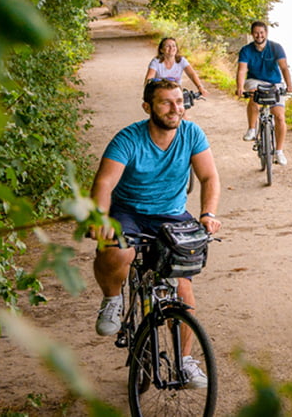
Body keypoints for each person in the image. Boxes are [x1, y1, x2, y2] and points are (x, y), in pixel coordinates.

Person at [90, 80, 222, 389]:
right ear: (148, 107)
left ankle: (186, 361)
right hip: (129, 212)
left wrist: (208, 214)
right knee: (117, 250)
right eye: (166, 103)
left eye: (179, 101)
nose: (176, 108)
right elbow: (104, 183)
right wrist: (99, 217)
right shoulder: (128, 139)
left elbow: (209, 176)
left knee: (184, 288)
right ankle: (111, 299)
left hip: (171, 214)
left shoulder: (192, 134)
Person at [234, 20, 292, 165]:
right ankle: (252, 129)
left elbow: (284, 68)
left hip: (275, 83)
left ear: (266, 33)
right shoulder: (246, 50)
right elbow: (242, 70)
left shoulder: (276, 48)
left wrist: (289, 85)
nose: (259, 35)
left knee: (279, 116)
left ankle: (279, 151)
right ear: (252, 34)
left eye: (261, 32)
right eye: (256, 33)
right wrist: (240, 86)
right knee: (255, 95)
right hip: (255, 80)